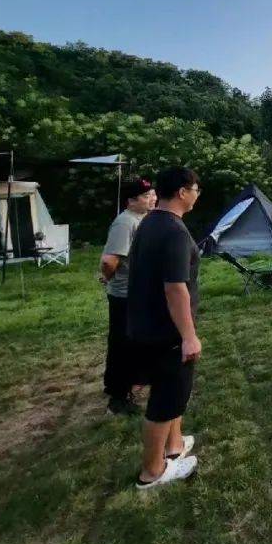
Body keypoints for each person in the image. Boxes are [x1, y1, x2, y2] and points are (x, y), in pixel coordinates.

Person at [127, 167, 202, 490]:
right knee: (166, 399)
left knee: (171, 393)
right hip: (167, 331)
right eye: (195, 189)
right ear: (182, 192)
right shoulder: (174, 231)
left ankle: (174, 446)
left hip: (147, 324)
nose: (197, 195)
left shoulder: (150, 222)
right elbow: (175, 288)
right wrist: (189, 336)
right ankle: (153, 471)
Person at [99, 177, 156, 415]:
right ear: (131, 201)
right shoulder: (124, 223)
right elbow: (109, 261)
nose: (152, 199)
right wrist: (108, 277)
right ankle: (117, 398)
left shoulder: (142, 219)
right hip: (124, 296)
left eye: (153, 194)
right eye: (146, 196)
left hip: (138, 294)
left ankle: (131, 384)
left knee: (136, 344)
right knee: (122, 346)